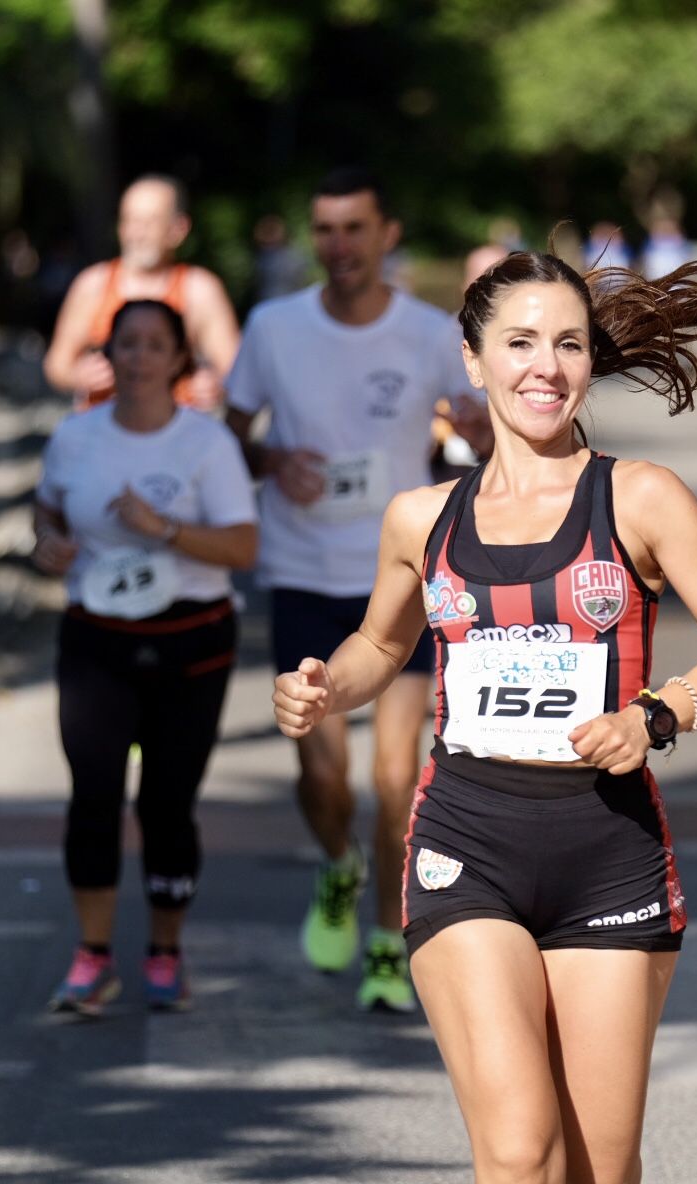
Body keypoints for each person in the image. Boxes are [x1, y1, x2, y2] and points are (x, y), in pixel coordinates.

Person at [273, 249, 697, 1182]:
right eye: (519, 343)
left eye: (568, 344)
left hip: (607, 851)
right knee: (518, 1153)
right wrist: (324, 687)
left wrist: (659, 715)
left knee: (598, 1167)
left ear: (590, 362)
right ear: (471, 360)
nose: (544, 367)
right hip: (465, 840)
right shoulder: (420, 518)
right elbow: (380, 648)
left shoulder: (639, 498)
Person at [226, 167, 490, 1014]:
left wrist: (481, 430)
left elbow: (476, 422)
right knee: (325, 774)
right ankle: (337, 864)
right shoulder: (273, 327)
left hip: (403, 577)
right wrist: (272, 461)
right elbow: (230, 432)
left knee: (394, 772)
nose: (339, 245)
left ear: (387, 235)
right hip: (303, 571)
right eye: (326, 229)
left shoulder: (427, 331)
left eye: (354, 229)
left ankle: (386, 937)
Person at [32, 299, 258, 1015]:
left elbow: (242, 548)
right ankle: (92, 957)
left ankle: (165, 950)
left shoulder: (206, 444)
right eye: (125, 344)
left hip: (190, 639)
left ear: (178, 361)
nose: (138, 358)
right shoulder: (75, 436)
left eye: (154, 345)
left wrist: (161, 528)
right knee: (93, 795)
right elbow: (46, 510)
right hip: (96, 636)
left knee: (167, 804)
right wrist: (48, 541)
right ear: (108, 355)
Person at [44, 175, 240, 412]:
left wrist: (215, 384)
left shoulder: (199, 289)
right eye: (130, 220)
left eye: (150, 222)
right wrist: (78, 375)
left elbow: (237, 369)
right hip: (105, 431)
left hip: (175, 435)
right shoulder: (93, 284)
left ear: (178, 229)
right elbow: (57, 364)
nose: (138, 233)